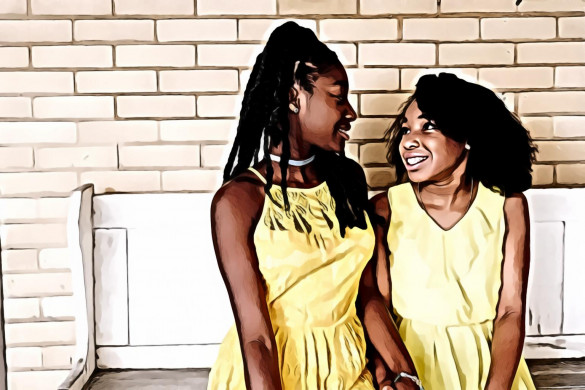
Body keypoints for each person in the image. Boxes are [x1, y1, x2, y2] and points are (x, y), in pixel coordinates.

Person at [208, 22, 419, 390]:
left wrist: (404, 373)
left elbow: (366, 296)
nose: (351, 112)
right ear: (294, 96)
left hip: (349, 368)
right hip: (273, 375)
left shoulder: (348, 181)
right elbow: (255, 336)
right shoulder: (240, 200)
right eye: (339, 96)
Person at [371, 72, 537, 389]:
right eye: (406, 129)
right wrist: (391, 377)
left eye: (427, 126)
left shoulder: (507, 206)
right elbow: (379, 307)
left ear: (467, 136)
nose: (409, 140)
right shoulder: (386, 208)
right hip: (410, 368)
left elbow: (510, 312)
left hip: (489, 368)